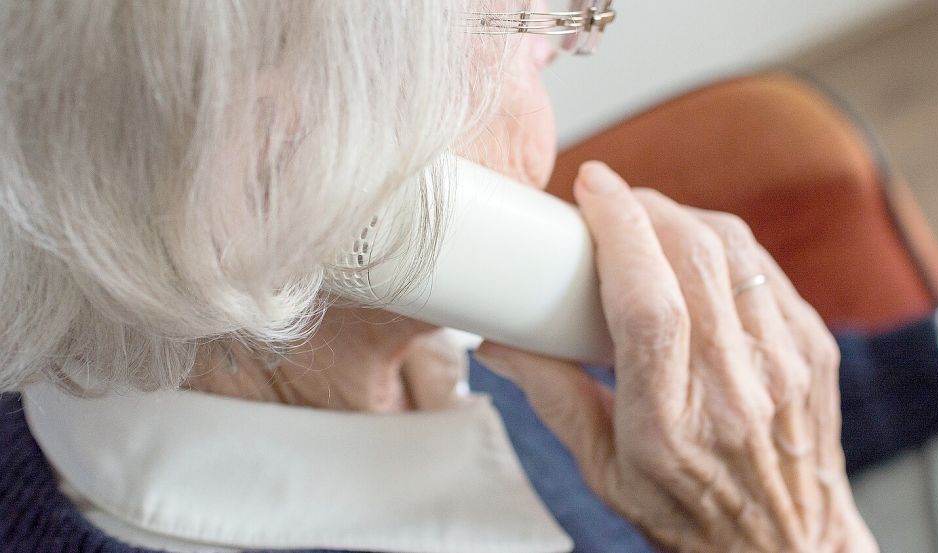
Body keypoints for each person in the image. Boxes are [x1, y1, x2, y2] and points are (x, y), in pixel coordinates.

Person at [0, 2, 884, 551]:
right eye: (529, 22)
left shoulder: (381, 317)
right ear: (274, 171)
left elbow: (690, 424)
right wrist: (792, 534)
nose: (580, 33)